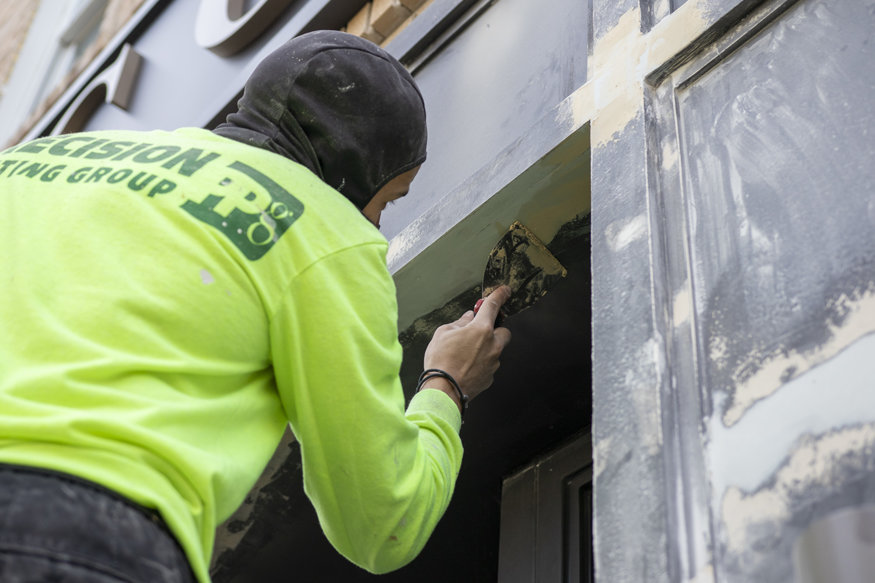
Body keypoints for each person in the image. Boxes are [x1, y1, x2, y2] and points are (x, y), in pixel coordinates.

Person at [0, 31, 511, 582]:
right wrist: (446, 387)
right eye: (387, 198)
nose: (378, 224)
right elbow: (383, 522)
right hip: (80, 534)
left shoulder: (34, 161)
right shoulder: (325, 229)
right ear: (351, 169)